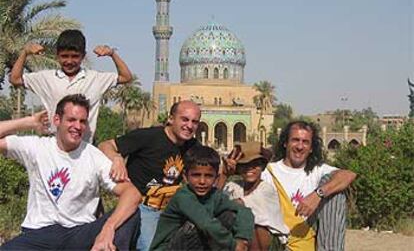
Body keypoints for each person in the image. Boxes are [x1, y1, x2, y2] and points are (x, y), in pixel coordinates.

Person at [0, 94, 141, 251]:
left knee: (130, 214)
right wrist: (29, 122)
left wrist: (108, 229)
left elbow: (132, 194)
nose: (78, 126)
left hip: (79, 233)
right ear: (57, 120)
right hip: (40, 233)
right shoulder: (37, 147)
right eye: (71, 120)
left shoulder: (93, 155)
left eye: (82, 121)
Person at [98, 100, 201, 250]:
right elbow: (105, 145)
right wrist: (117, 158)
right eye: (184, 119)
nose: (189, 126)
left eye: (194, 122)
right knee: (151, 247)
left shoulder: (193, 147)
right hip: (143, 207)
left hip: (170, 209)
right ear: (171, 118)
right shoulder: (149, 137)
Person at [10, 29, 132, 142]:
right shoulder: (46, 78)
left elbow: (126, 77)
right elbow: (15, 79)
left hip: (84, 147)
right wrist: (25, 53)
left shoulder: (95, 78)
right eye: (64, 56)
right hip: (55, 147)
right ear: (57, 56)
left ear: (83, 56)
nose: (69, 61)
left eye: (75, 56)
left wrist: (112, 53)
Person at [261, 120, 357, 251]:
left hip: (310, 241)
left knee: (335, 192)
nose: (300, 146)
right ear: (285, 143)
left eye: (305, 142)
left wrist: (318, 194)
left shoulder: (317, 171)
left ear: (311, 148)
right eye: (295, 140)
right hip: (279, 243)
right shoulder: (269, 172)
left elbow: (349, 175)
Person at [150, 145, 254, 251]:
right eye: (196, 175)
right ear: (185, 177)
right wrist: (234, 245)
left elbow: (244, 211)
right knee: (195, 225)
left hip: (195, 244)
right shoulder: (183, 196)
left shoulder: (214, 195)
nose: (202, 181)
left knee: (229, 214)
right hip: (169, 248)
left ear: (216, 178)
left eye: (208, 176)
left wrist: (242, 239)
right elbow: (206, 223)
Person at [220, 141, 289, 250]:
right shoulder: (233, 186)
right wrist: (224, 175)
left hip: (270, 243)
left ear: (262, 166)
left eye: (255, 164)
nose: (250, 168)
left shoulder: (266, 190)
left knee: (255, 226)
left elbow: (238, 204)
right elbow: (213, 200)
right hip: (239, 238)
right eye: (244, 165)